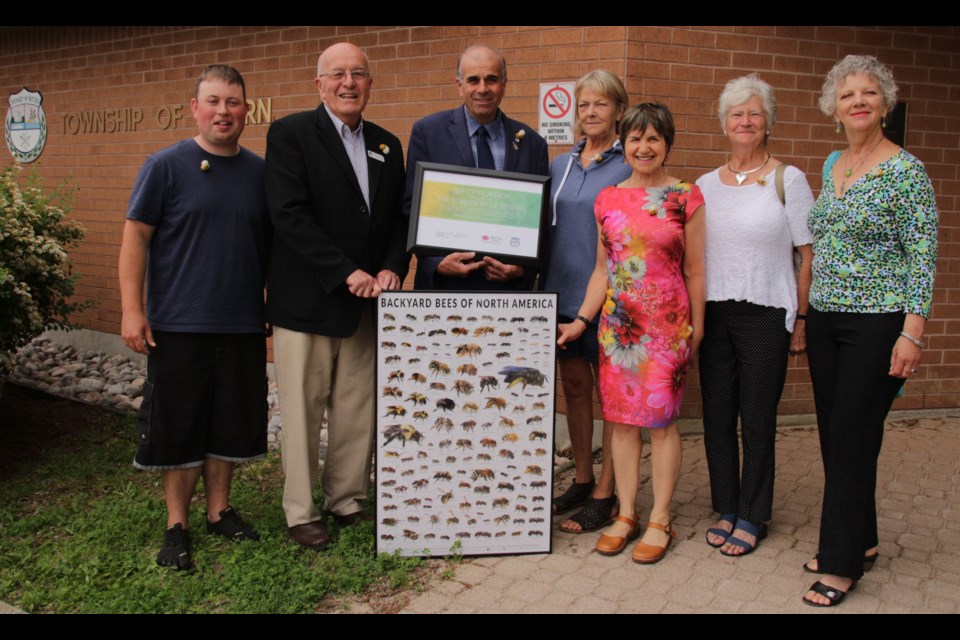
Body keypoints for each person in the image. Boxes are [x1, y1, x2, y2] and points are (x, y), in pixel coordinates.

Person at [120, 64, 270, 571]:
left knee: (228, 424)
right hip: (178, 325)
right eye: (213, 101)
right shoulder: (164, 166)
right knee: (178, 426)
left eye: (233, 102)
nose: (223, 111)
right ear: (195, 108)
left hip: (243, 323)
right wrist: (131, 310)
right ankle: (176, 525)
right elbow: (135, 238)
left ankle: (219, 510)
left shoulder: (260, 173)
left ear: (246, 110)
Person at [802, 55, 938, 607]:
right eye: (847, 94)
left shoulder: (907, 171)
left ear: (886, 103)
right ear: (834, 109)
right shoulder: (833, 160)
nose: (858, 101)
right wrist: (806, 314)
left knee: (854, 436)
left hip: (878, 323)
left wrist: (913, 332)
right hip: (826, 319)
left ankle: (840, 564)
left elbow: (923, 256)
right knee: (838, 435)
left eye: (869, 93)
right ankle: (863, 538)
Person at [265, 43, 408, 550]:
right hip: (308, 301)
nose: (349, 83)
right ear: (319, 83)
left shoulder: (388, 145)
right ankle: (301, 509)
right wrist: (346, 272)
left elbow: (397, 219)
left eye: (358, 74)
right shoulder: (291, 134)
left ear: (370, 83)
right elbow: (289, 215)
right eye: (338, 74)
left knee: (355, 405)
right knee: (303, 409)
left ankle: (346, 498)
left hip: (367, 304)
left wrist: (393, 266)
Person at [558, 103, 706, 564]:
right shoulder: (608, 199)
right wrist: (581, 320)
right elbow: (603, 272)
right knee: (620, 423)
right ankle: (626, 514)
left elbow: (697, 271)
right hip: (617, 331)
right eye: (636, 139)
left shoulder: (686, 197)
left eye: (654, 139)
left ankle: (660, 517)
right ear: (625, 143)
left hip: (667, 329)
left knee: (660, 424)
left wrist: (695, 330)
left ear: (667, 144)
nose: (644, 148)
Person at [695, 74, 814, 557]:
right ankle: (726, 504)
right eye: (737, 113)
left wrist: (802, 319)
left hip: (767, 313)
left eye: (754, 113)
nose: (745, 121)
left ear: (768, 123)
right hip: (714, 312)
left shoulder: (789, 180)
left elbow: (809, 254)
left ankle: (754, 512)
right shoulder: (704, 185)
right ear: (724, 123)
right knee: (717, 417)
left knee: (759, 418)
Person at [545, 70, 631, 533]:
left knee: (612, 398)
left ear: (619, 109)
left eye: (601, 104)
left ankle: (606, 493)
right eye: (584, 105)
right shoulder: (559, 164)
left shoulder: (629, 164)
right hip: (559, 293)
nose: (591, 112)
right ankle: (582, 478)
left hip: (610, 300)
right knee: (575, 389)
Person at [404, 44, 548, 291]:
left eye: (491, 80)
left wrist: (523, 270)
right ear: (459, 86)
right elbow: (409, 208)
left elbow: (541, 220)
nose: (483, 89)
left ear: (503, 84)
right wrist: (436, 263)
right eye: (473, 80)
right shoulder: (428, 133)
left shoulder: (532, 144)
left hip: (508, 296)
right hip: (445, 290)